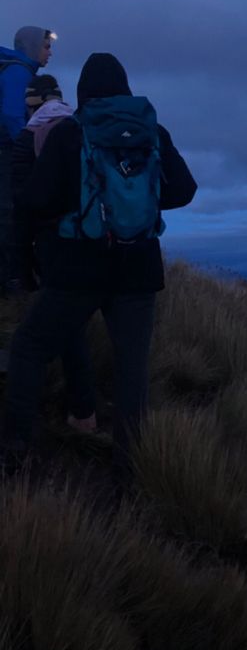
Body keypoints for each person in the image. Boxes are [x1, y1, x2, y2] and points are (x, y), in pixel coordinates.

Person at [2, 52, 197, 470]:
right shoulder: (151, 131)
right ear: (125, 87)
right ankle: (129, 475)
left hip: (78, 268)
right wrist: (136, 199)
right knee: (132, 374)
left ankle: (16, 449)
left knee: (30, 346)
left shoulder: (71, 133)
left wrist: (69, 215)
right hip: (139, 271)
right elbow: (184, 190)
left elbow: (33, 201)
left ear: (83, 92)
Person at [11, 74, 99, 435]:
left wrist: (21, 265)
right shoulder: (80, 129)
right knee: (73, 327)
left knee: (30, 343)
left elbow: (22, 205)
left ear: (30, 101)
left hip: (52, 247)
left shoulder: (28, 136)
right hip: (92, 243)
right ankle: (84, 414)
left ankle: (18, 443)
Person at [0, 26, 56, 293]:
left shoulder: (14, 69)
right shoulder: (19, 72)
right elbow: (12, 114)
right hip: (6, 153)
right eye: (46, 46)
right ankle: (10, 282)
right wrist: (28, 145)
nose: (50, 53)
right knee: (9, 213)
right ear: (33, 47)